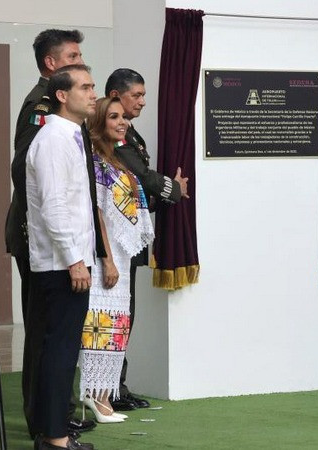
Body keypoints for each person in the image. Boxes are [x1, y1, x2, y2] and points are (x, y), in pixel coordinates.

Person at [6, 29, 98, 441]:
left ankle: (56, 419)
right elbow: (37, 186)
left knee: (60, 343)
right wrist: (60, 250)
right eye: (74, 58)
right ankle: (46, 425)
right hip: (46, 246)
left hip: (65, 248)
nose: (91, 89)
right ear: (53, 67)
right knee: (48, 341)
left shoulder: (71, 129)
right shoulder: (43, 114)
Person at [105, 68, 189, 410]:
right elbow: (140, 175)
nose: (142, 101)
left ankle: (117, 386)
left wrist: (158, 196)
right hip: (111, 240)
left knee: (126, 314)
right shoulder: (111, 132)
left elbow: (138, 188)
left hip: (130, 236)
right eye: (135, 95)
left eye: (143, 95)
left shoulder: (130, 132)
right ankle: (105, 389)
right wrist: (174, 190)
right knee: (111, 315)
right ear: (114, 95)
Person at [79, 97, 155, 423]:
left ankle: (104, 394)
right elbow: (96, 213)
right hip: (104, 259)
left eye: (123, 117)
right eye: (114, 117)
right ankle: (95, 397)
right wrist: (107, 258)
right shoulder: (94, 162)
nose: (122, 121)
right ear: (98, 121)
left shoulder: (117, 158)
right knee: (101, 325)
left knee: (117, 328)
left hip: (121, 260)